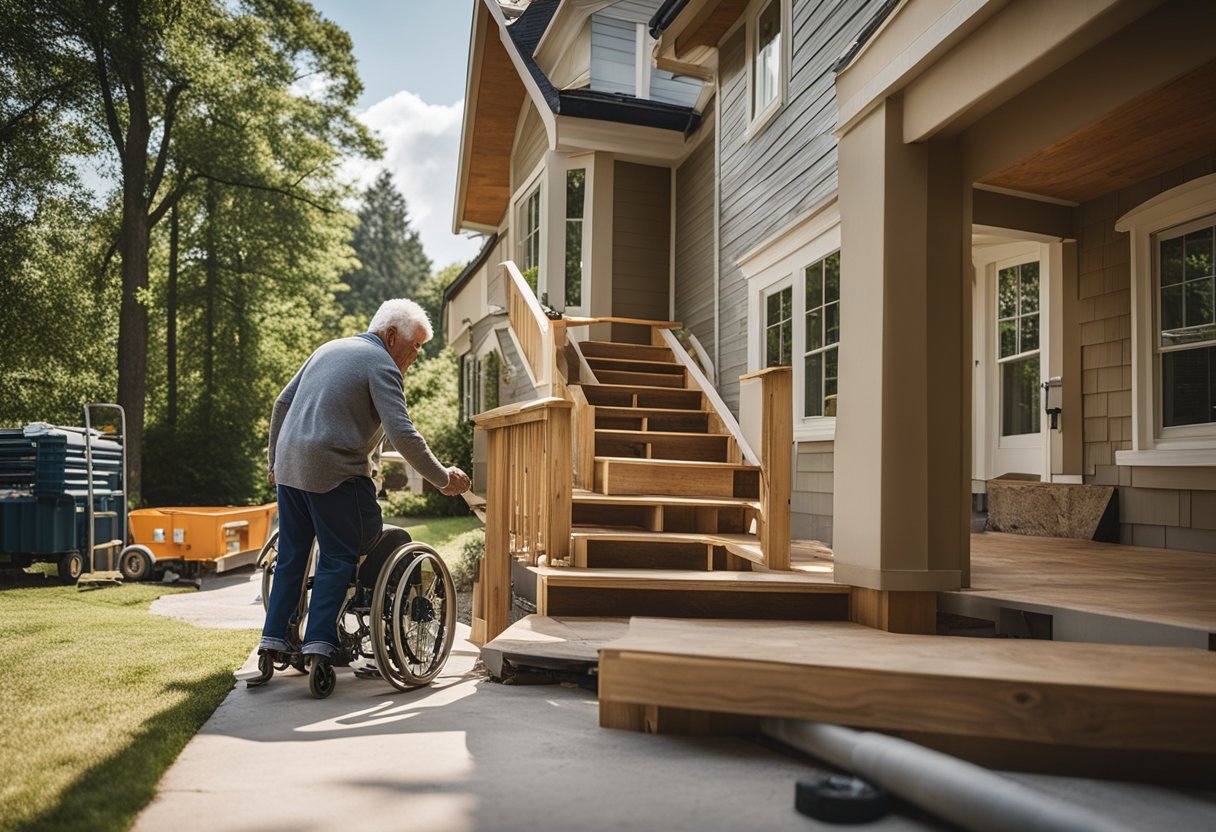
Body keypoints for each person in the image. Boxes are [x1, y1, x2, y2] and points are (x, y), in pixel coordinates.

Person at [258, 298, 470, 668]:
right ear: (390, 335)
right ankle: (321, 644)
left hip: (290, 471)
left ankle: (274, 640)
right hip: (334, 471)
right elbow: (403, 434)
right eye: (415, 344)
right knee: (342, 553)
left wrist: (274, 461)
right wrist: (441, 477)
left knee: (292, 557)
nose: (416, 355)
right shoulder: (381, 364)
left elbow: (281, 403)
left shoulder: (328, 349)